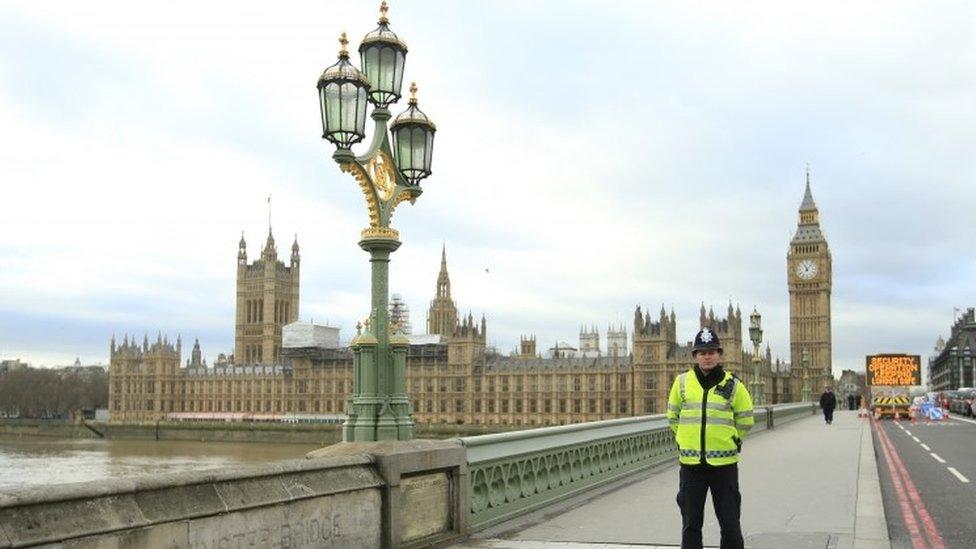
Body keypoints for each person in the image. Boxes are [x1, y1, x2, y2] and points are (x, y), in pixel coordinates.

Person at [667, 327, 754, 549]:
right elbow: (672, 415)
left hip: (724, 465)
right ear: (695, 355)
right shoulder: (682, 382)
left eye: (712, 352)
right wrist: (684, 440)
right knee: (691, 525)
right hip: (691, 465)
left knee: (730, 524)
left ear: (719, 354)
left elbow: (745, 419)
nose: (707, 356)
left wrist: (733, 439)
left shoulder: (733, 384)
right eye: (702, 352)